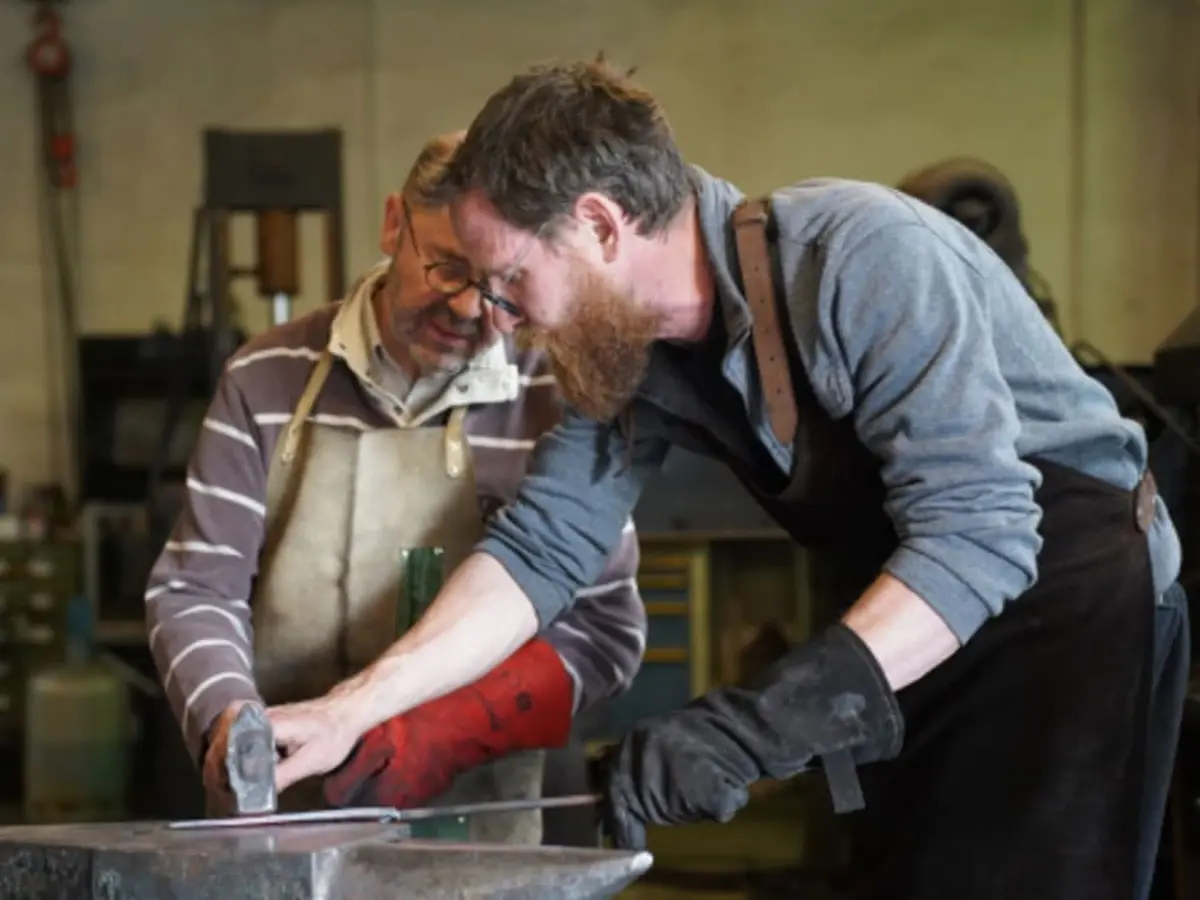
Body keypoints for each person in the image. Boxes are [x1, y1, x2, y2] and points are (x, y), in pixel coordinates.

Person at [261, 59, 1183, 900]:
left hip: (1070, 615)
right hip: (925, 641)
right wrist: (352, 709)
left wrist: (752, 728)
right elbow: (541, 549)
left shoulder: (861, 258)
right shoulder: (617, 354)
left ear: (597, 225)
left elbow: (981, 534)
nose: (497, 320)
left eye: (508, 282)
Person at [144, 131, 647, 845]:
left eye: (499, 287)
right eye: (445, 267)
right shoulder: (263, 379)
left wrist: (445, 731)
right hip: (278, 815)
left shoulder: (555, 404)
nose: (470, 309)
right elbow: (196, 591)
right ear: (392, 225)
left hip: (475, 831)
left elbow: (606, 634)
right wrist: (232, 723)